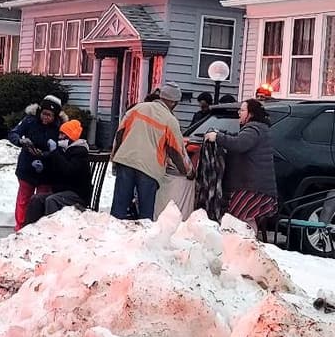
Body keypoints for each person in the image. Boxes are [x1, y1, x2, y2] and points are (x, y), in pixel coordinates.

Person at [109, 82, 190, 221]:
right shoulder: (170, 120)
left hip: (126, 161)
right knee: (145, 212)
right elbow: (176, 151)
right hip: (149, 168)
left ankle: (112, 235)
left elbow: (119, 134)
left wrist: (114, 158)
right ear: (174, 102)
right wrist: (186, 171)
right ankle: (144, 238)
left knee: (119, 207)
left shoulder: (137, 109)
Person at [203, 98, 278, 231]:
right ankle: (249, 245)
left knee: (239, 218)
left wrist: (218, 137)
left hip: (252, 187)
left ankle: (247, 246)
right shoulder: (259, 129)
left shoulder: (253, 129)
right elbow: (238, 138)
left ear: (251, 113)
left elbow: (239, 144)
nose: (239, 113)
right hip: (255, 186)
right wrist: (224, 134)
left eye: (242, 110)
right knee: (246, 218)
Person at [8, 95, 66, 230]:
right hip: (27, 167)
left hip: (47, 171)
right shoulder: (29, 121)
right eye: (44, 114)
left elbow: (62, 146)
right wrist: (21, 141)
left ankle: (37, 228)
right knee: (24, 198)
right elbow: (13, 133)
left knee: (41, 199)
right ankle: (20, 226)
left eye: (50, 115)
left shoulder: (59, 127)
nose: (46, 118)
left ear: (55, 116)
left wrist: (47, 153)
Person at [24, 119, 92, 226]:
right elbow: (55, 172)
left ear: (70, 136)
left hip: (77, 194)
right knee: (36, 199)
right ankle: (29, 230)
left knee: (52, 200)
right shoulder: (62, 150)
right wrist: (42, 169)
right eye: (59, 134)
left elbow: (68, 171)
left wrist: (55, 153)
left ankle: (53, 231)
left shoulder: (79, 152)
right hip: (61, 191)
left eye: (63, 134)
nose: (59, 137)